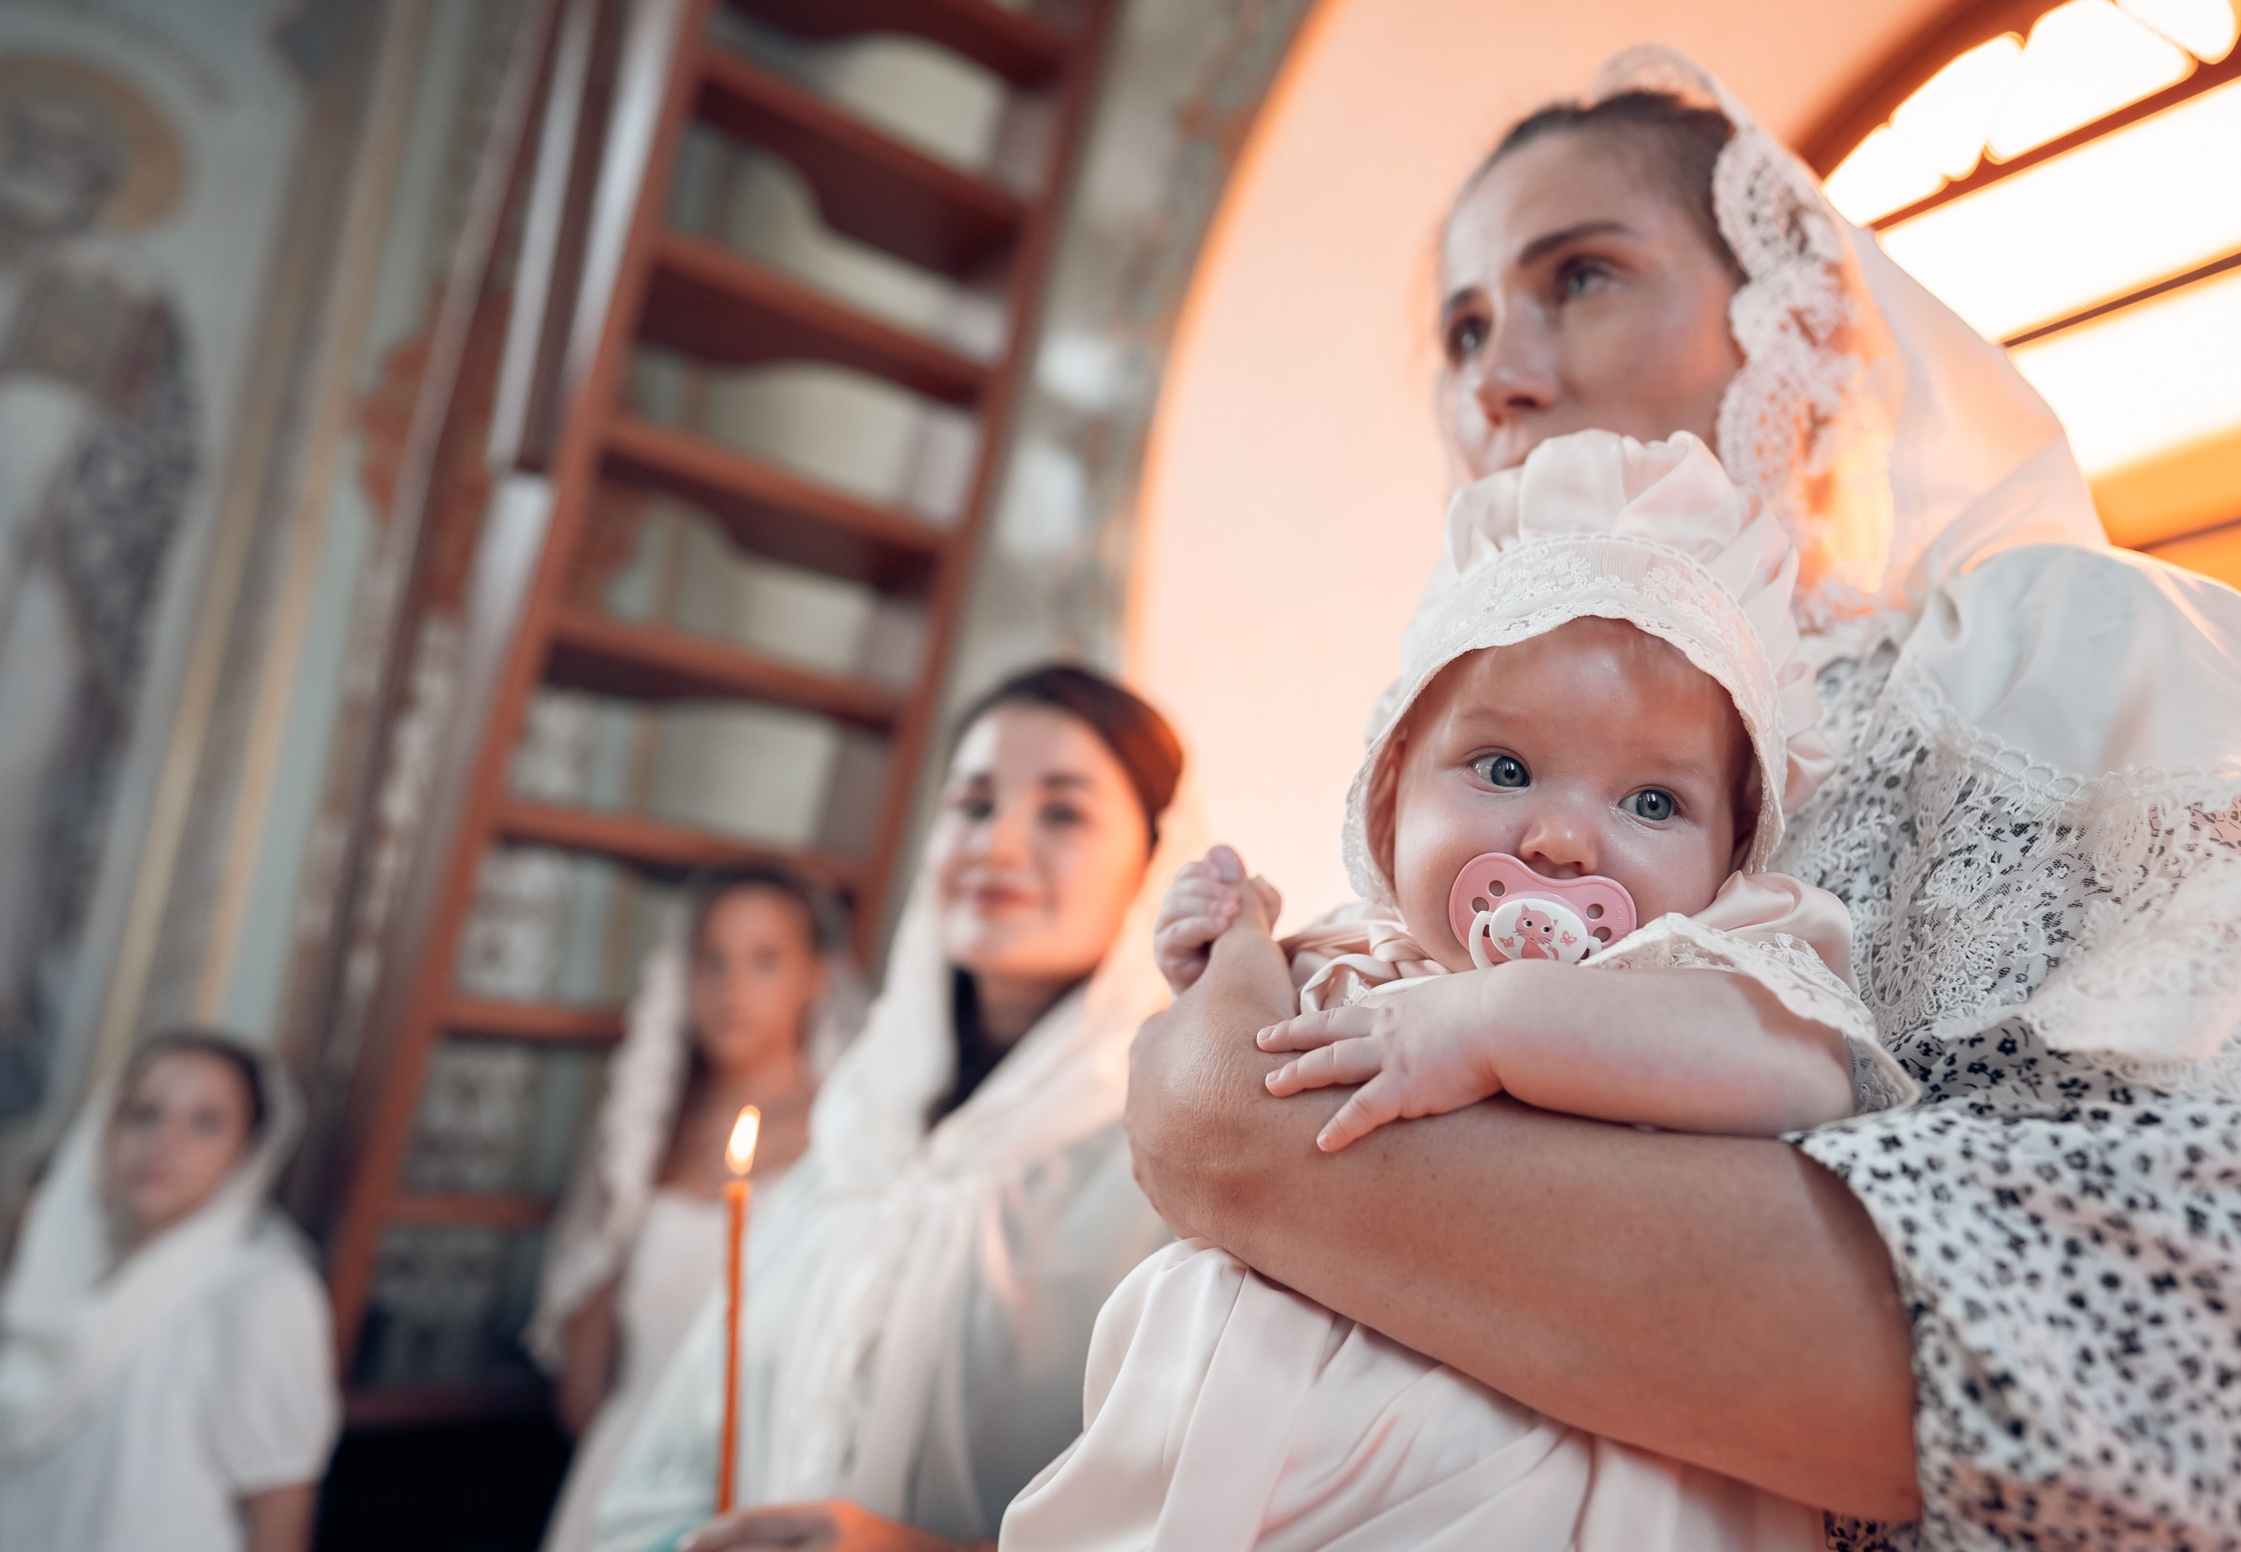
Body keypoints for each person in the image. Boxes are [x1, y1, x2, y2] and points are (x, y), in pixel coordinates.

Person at [1116, 49, 2241, 1548]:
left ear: (1797, 325)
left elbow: (2167, 1376)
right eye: (1461, 327)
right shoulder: (1463, 746)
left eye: (1579, 275)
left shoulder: (2037, 656)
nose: (1495, 373)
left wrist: (1235, 1140)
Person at [1008, 431, 1922, 1550]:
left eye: (1650, 802)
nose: (1558, 836)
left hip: (1564, 1454)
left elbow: (1793, 1072)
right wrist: (1229, 952)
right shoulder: (1359, 951)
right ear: (1389, 798)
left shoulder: (1704, 963)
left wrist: (1493, 1025)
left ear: (1734, 856)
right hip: (1245, 1447)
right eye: (1502, 769)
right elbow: (1225, 1082)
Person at [594, 664, 1187, 1552]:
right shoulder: (859, 1131)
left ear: (1154, 861)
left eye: (1062, 811)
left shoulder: (1170, 1168)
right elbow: (682, 1447)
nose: (998, 843)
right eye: (973, 803)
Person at [530, 863, 859, 1552]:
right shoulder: (645, 1130)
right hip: (623, 1462)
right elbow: (587, 1344)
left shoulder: (845, 1137)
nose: (732, 987)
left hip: (758, 1472)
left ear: (817, 976)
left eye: (765, 960)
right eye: (712, 960)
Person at [0, 1030, 337, 1552]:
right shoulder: (63, 1272)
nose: (163, 1144)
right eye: (144, 1114)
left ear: (247, 1151)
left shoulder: (262, 1293)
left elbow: (280, 1508)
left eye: (205, 1123)